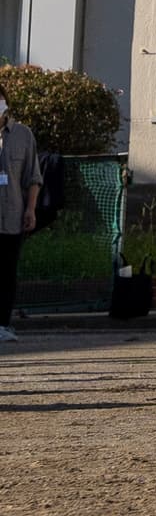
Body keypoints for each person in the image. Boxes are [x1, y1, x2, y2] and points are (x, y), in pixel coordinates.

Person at [0, 81, 42, 342]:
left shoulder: (23, 135)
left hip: (12, 215)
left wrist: (31, 209)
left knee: (6, 272)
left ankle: (2, 323)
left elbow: (33, 176)